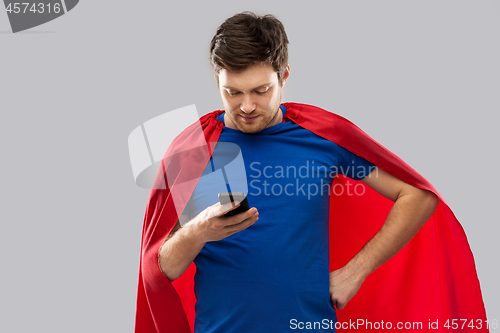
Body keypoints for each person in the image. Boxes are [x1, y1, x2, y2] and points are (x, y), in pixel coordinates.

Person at [135, 12, 488, 333]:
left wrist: (357, 270)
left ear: (284, 76)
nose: (246, 106)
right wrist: (196, 232)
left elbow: (417, 195)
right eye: (233, 92)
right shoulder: (193, 150)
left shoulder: (322, 135)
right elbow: (160, 270)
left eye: (261, 91)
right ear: (217, 81)